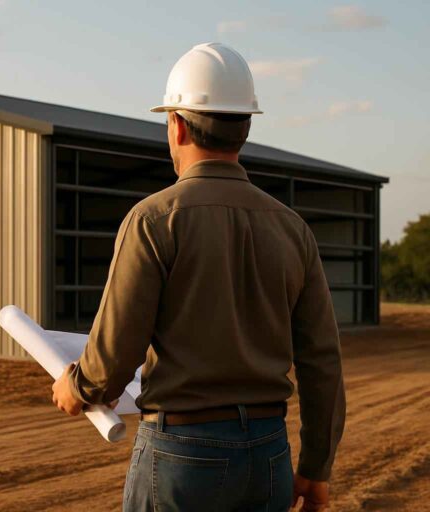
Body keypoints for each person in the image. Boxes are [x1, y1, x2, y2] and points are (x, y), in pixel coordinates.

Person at [51, 42, 346, 511]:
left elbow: (113, 357)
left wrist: (77, 387)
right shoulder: (293, 230)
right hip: (269, 455)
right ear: (244, 128)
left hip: (182, 455)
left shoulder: (152, 220)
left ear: (178, 125)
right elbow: (322, 363)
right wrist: (315, 469)